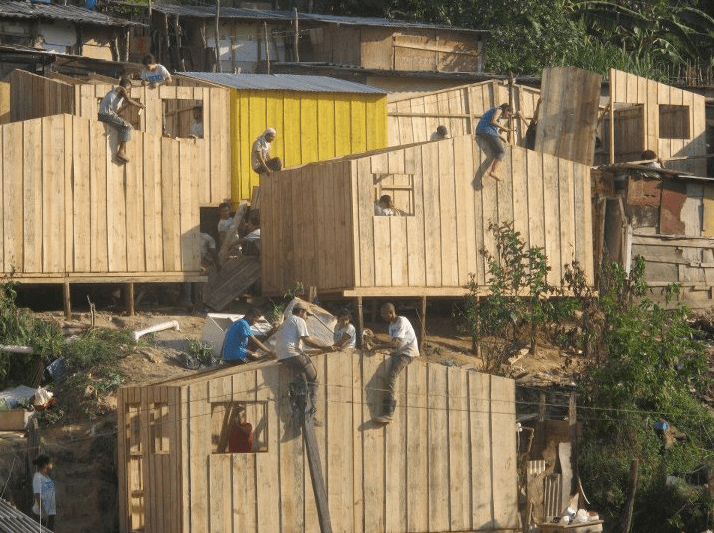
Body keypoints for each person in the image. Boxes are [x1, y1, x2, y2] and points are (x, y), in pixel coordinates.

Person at [275, 302, 333, 422]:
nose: (307, 318)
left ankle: (297, 409)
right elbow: (307, 340)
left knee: (299, 382)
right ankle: (311, 413)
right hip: (293, 353)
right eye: (307, 315)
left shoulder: (286, 321)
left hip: (282, 356)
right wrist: (325, 348)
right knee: (314, 380)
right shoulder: (299, 320)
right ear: (301, 312)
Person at [363, 303, 420, 424]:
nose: (382, 316)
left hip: (408, 353)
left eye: (384, 313)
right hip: (399, 352)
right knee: (386, 376)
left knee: (391, 376)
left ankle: (389, 413)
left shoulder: (401, 322)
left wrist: (375, 346)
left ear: (391, 312)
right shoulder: (391, 325)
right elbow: (392, 343)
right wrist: (375, 339)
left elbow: (396, 344)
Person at [98, 77, 145, 163]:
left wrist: (133, 105)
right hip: (105, 115)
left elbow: (119, 107)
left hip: (107, 114)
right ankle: (120, 152)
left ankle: (122, 144)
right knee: (126, 127)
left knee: (125, 121)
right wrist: (139, 105)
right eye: (129, 88)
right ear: (126, 85)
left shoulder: (118, 94)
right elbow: (128, 100)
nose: (129, 91)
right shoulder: (121, 89)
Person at [475, 103, 512, 181]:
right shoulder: (499, 110)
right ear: (506, 110)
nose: (508, 117)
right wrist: (503, 128)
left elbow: (495, 132)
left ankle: (493, 171)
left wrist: (504, 139)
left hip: (483, 131)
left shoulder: (496, 113)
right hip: (486, 131)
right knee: (501, 152)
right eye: (508, 114)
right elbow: (493, 121)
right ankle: (493, 171)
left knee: (497, 151)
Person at [32, 454, 56, 531]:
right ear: (45, 465)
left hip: (49, 512)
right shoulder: (37, 477)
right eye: (50, 462)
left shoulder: (45, 477)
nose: (52, 464)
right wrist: (43, 512)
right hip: (41, 514)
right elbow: (37, 495)